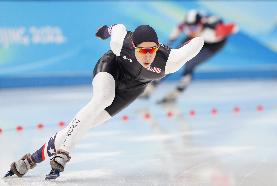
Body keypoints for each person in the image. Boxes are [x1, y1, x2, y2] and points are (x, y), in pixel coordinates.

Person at [4, 24, 204, 180]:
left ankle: (32, 159)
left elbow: (197, 44)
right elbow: (117, 28)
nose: (148, 56)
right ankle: (64, 151)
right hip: (111, 68)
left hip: (134, 88)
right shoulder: (120, 43)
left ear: (157, 47)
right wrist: (105, 31)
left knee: (89, 122)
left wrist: (201, 36)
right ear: (133, 46)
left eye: (151, 50)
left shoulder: (171, 61)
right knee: (103, 98)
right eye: (142, 51)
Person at [141, 10, 237, 104]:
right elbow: (178, 30)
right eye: (189, 27)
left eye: (194, 27)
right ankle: (151, 87)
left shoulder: (214, 30)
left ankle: (177, 92)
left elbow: (234, 27)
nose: (191, 30)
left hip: (212, 45)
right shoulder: (186, 27)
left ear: (202, 23)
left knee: (190, 64)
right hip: (195, 38)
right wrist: (170, 41)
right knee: (173, 59)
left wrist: (228, 28)